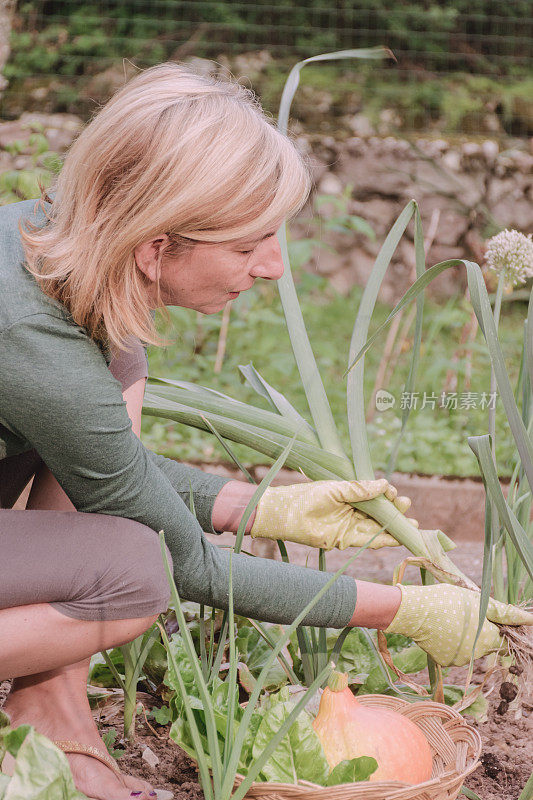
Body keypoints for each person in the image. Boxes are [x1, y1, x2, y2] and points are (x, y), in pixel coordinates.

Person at [0, 62, 530, 800]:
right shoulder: (28, 333)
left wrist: (264, 504)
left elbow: (103, 464)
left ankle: (46, 704)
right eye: (250, 243)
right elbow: (181, 563)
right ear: (156, 245)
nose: (275, 267)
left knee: (120, 360)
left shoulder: (46, 247)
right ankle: (45, 704)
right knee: (130, 572)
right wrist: (406, 610)